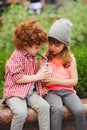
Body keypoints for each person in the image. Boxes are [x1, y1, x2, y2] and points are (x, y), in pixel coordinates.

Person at [2, 20, 50, 130]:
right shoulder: (17, 56)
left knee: (45, 107)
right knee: (20, 113)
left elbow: (32, 75)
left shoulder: (31, 55)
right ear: (25, 45)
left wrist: (40, 66)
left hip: (29, 92)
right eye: (37, 47)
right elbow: (18, 78)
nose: (39, 50)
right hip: (15, 93)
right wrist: (38, 76)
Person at [40, 18, 86, 130]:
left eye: (57, 45)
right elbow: (40, 77)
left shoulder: (70, 59)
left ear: (64, 44)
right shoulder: (45, 58)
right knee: (57, 109)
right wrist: (42, 87)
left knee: (79, 110)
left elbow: (74, 81)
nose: (52, 48)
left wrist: (56, 80)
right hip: (52, 92)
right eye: (50, 44)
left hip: (68, 92)